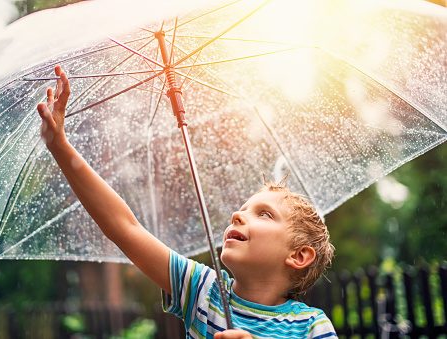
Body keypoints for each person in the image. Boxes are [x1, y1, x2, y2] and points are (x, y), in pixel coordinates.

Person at [37, 65, 338, 339]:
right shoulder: (203, 291)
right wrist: (59, 146)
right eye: (243, 208)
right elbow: (125, 228)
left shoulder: (311, 325)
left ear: (299, 256)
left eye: (264, 214)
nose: (237, 215)